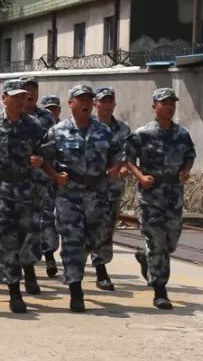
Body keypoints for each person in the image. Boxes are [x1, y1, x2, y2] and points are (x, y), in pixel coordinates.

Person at [40, 84, 121, 313]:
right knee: (73, 241)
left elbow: (117, 155)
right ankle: (75, 289)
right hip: (69, 196)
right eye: (80, 99)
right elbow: (43, 157)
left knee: (94, 241)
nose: (85, 103)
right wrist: (55, 175)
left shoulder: (104, 131)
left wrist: (115, 168)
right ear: (71, 104)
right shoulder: (59, 131)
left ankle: (90, 271)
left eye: (88, 99)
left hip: (97, 194)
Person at [0, 79, 47, 313]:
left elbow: (45, 151)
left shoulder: (34, 126)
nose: (19, 101)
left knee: (28, 237)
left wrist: (40, 160)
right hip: (1, 189)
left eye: (22, 96)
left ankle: (0, 264)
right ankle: (14, 291)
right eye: (14, 96)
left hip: (27, 189)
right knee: (7, 237)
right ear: (4, 98)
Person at [122, 88, 196, 310]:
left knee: (171, 240)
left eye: (172, 103)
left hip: (174, 193)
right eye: (164, 103)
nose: (169, 107)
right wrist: (140, 177)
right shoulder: (143, 134)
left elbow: (190, 155)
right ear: (155, 106)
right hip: (151, 194)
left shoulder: (182, 134)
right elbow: (128, 158)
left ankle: (146, 257)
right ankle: (160, 289)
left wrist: (185, 170)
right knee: (157, 242)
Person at [89, 87, 132, 291]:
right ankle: (80, 267)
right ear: (95, 104)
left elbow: (128, 155)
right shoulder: (86, 126)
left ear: (114, 104)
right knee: (86, 228)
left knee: (106, 229)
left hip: (113, 187)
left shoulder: (123, 129)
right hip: (88, 187)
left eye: (109, 101)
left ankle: (100, 269)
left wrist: (124, 168)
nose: (106, 105)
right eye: (102, 101)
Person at [21, 75, 59, 280]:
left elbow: (53, 146)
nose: (30, 93)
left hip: (43, 178)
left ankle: (49, 254)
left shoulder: (46, 117)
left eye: (33, 89)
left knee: (46, 218)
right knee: (23, 221)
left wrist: (46, 163)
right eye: (26, 89)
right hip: (17, 180)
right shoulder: (11, 115)